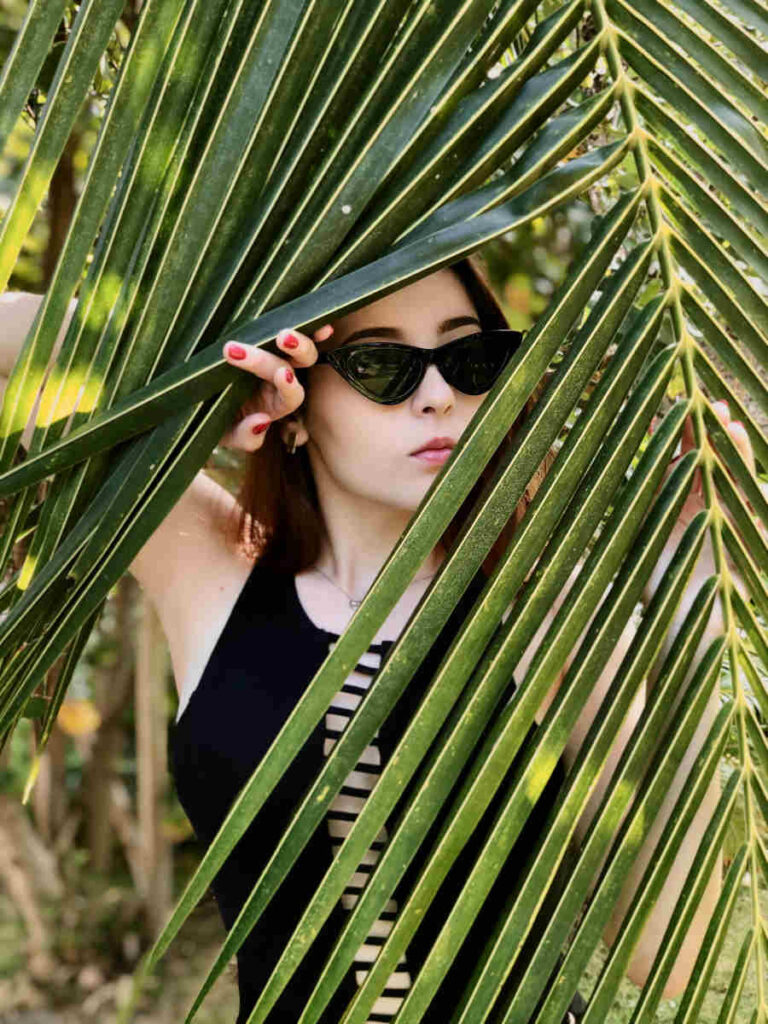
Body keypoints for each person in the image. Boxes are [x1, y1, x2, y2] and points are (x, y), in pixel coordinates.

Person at [2, 256, 755, 1021]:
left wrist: (691, 576)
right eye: (381, 364)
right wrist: (214, 361)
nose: (437, 397)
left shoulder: (544, 615)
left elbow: (672, 957)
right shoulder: (210, 570)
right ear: (294, 403)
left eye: (468, 361)